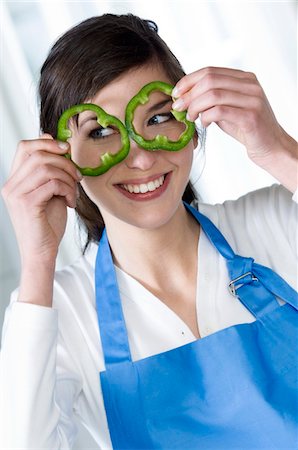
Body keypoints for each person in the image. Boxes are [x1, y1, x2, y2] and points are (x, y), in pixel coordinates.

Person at [0, 13, 297, 450]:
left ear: (192, 126)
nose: (139, 159)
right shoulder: (59, 309)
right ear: (62, 157)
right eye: (100, 131)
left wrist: (279, 149)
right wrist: (38, 260)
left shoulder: (276, 220)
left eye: (157, 119)